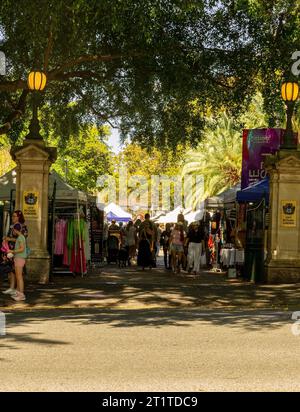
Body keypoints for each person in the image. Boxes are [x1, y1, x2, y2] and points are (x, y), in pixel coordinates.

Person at [2, 210, 28, 296]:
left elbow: (21, 239)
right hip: (10, 250)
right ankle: (12, 288)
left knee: (16, 272)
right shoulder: (13, 226)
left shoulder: (21, 226)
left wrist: (9, 239)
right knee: (11, 270)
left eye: (14, 216)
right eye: (12, 216)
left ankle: (18, 290)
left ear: (19, 217)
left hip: (16, 252)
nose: (13, 218)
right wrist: (6, 239)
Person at [7, 223, 27, 301]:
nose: (13, 232)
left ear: (15, 230)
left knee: (19, 277)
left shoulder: (20, 237)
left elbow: (22, 249)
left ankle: (21, 295)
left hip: (19, 259)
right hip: (18, 258)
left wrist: (12, 251)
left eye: (13, 230)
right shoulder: (20, 237)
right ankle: (19, 293)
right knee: (19, 277)